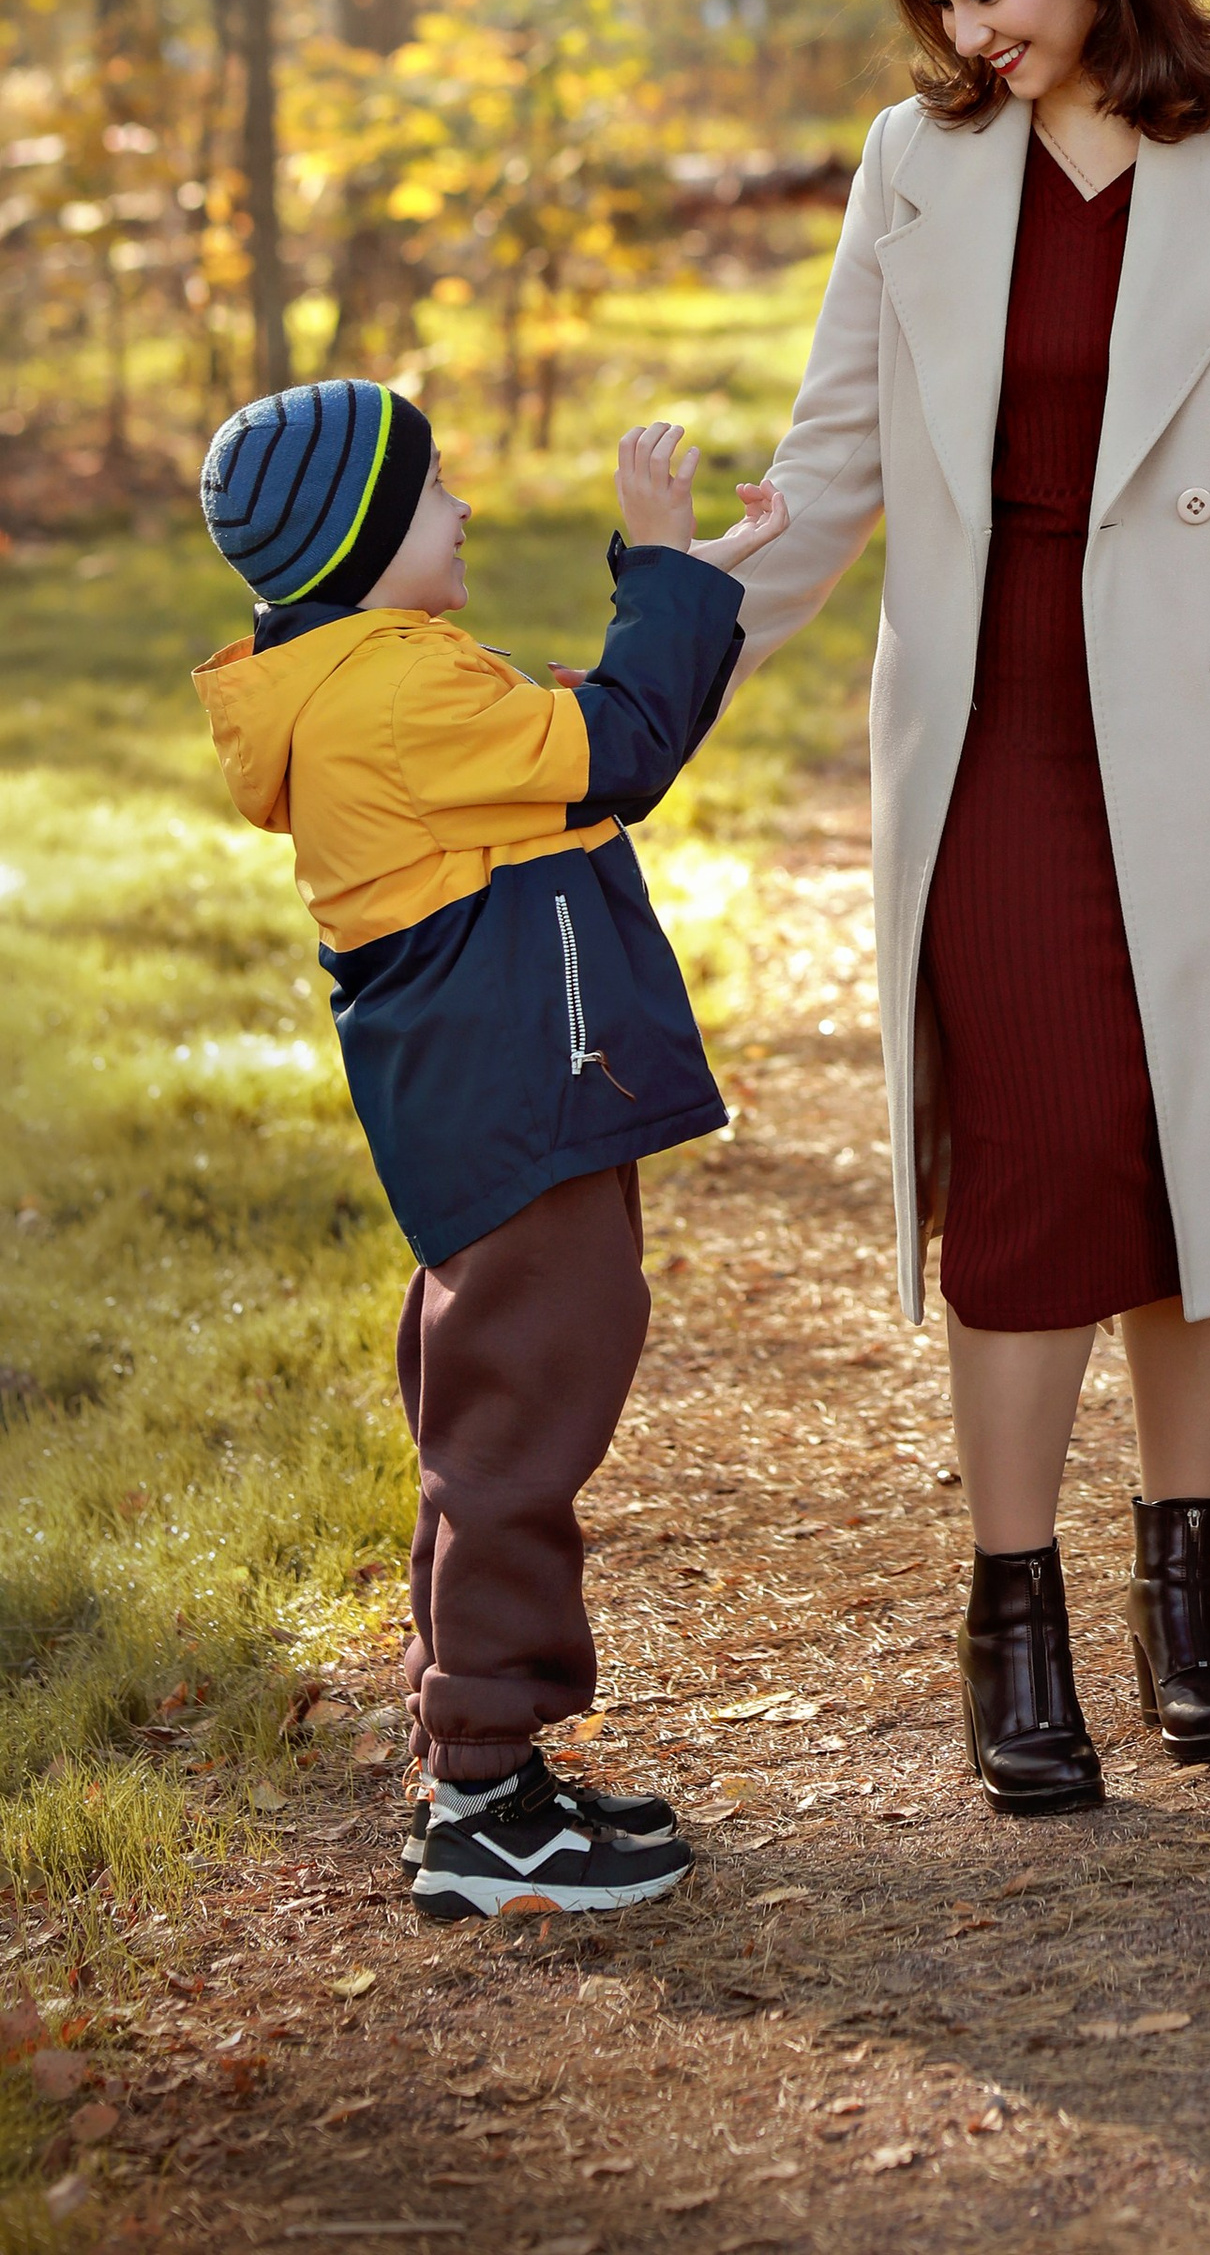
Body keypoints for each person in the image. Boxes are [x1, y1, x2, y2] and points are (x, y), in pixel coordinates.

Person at [724, 0, 1210, 1815]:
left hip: (1209, 737)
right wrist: (649, 670)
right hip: (996, 734)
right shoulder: (914, 165)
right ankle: (1007, 1609)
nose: (962, 36)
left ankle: (1180, 1600)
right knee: (1033, 1164)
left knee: (1187, 1165)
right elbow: (828, 461)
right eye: (936, 4)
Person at [193, 381, 783, 1916]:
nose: (460, 506)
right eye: (436, 487)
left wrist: (696, 584)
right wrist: (661, 564)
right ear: (372, 533)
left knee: (492, 1403)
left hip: (505, 1084)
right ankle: (485, 1802)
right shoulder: (391, 690)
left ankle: (485, 1764)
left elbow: (575, 756)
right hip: (522, 1090)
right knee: (520, 1412)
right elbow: (621, 750)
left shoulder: (369, 673)